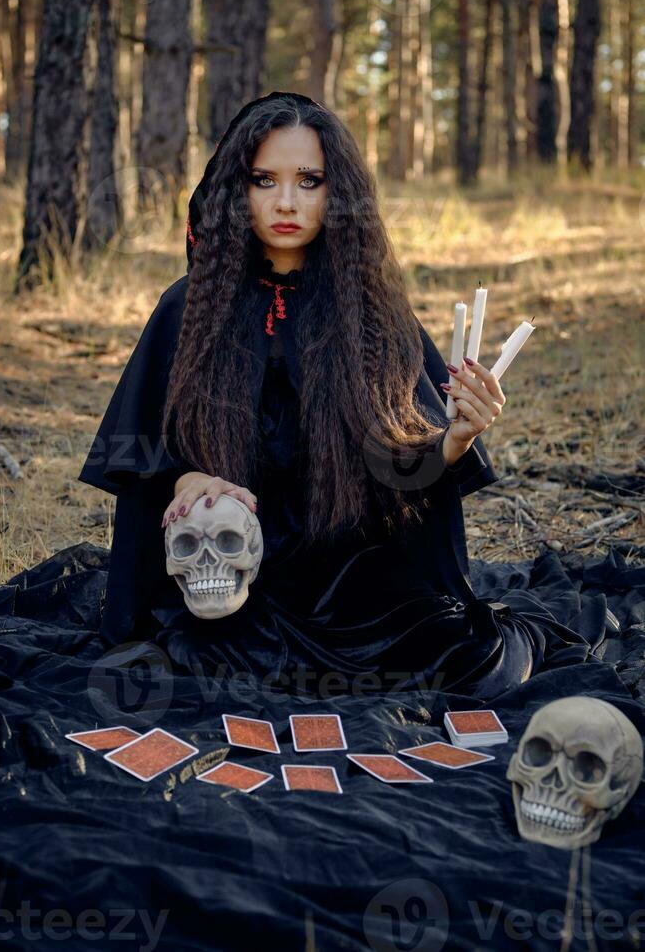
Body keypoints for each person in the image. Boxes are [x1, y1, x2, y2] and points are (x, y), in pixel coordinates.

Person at [78, 91, 603, 700]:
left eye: (309, 181)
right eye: (264, 180)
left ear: (338, 194)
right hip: (230, 581)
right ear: (235, 191)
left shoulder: (371, 314)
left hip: (348, 583)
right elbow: (144, 466)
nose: (285, 201)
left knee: (474, 661)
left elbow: (402, 470)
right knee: (179, 667)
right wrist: (186, 481)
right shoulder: (186, 309)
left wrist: (455, 438)